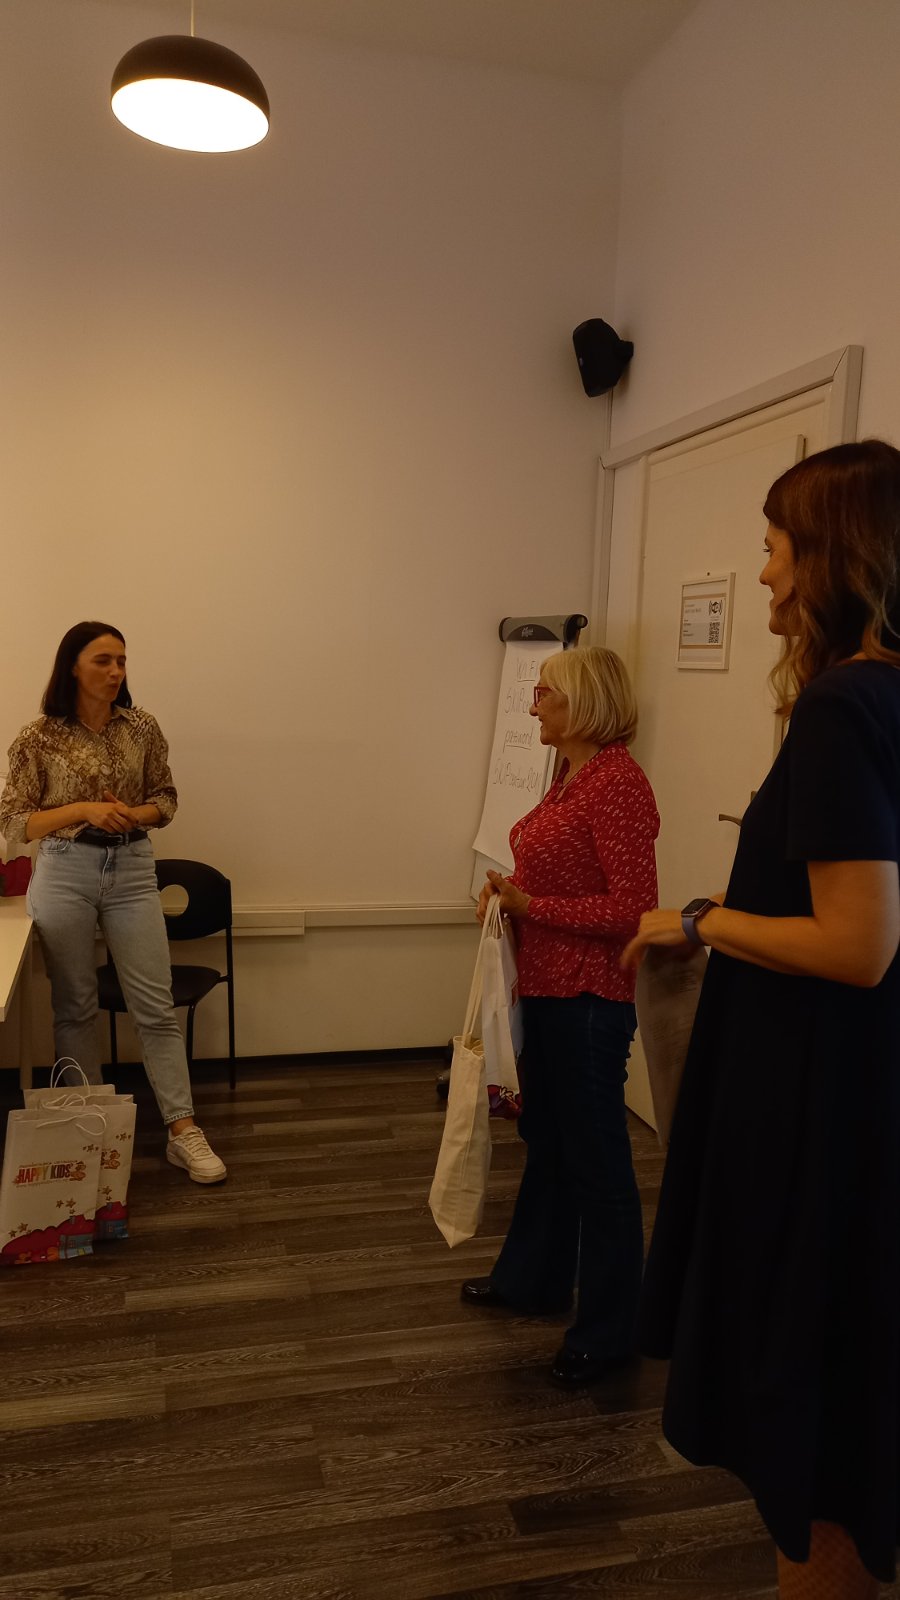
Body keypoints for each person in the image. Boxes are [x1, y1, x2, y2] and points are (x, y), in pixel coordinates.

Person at [622, 440, 900, 1598]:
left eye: (777, 548)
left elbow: (857, 944)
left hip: (822, 1111)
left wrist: (705, 918)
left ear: (834, 556)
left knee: (816, 1438)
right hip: (868, 1100)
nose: (767, 575)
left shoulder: (843, 706)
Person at [461, 645, 659, 1387]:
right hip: (546, 990)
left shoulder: (618, 784)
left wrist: (531, 904)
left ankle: (610, 1332)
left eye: (545, 693)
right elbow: (561, 874)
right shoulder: (570, 776)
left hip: (589, 999)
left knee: (597, 1162)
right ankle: (533, 1281)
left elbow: (634, 910)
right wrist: (508, 892)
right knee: (547, 1141)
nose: (533, 703)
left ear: (585, 705)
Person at [0, 621, 226, 1184]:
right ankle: (89, 1131)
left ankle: (183, 1130)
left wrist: (133, 814)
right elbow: (14, 821)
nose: (116, 671)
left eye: (122, 660)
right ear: (73, 666)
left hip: (131, 868)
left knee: (154, 1004)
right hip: (63, 870)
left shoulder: (141, 726)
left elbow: (165, 799)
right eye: (103, 660)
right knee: (75, 1005)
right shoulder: (38, 737)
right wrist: (84, 810)